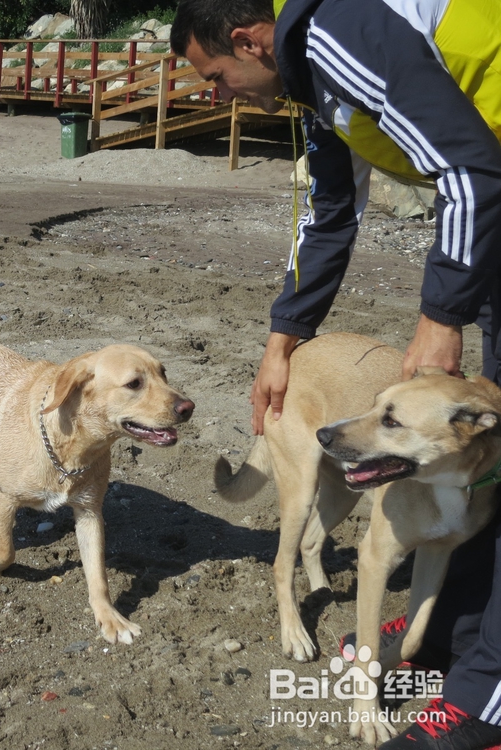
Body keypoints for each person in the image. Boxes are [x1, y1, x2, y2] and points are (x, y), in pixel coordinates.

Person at [170, 0, 501, 748]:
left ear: (251, 39)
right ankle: (461, 632)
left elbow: (468, 166)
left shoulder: (338, 33)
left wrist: (441, 314)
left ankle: (489, 694)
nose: (218, 96)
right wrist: (283, 338)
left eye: (216, 75)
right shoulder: (314, 82)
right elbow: (328, 214)